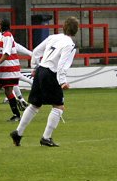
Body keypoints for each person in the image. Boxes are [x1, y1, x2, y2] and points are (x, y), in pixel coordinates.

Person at [10, 17, 79, 147]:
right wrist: (63, 81)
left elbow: (36, 51)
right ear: (76, 30)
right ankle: (46, 138)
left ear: (63, 27)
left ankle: (18, 133)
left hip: (41, 70)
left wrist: (34, 67)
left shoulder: (53, 37)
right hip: (51, 74)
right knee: (58, 106)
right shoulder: (69, 44)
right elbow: (62, 65)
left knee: (35, 105)